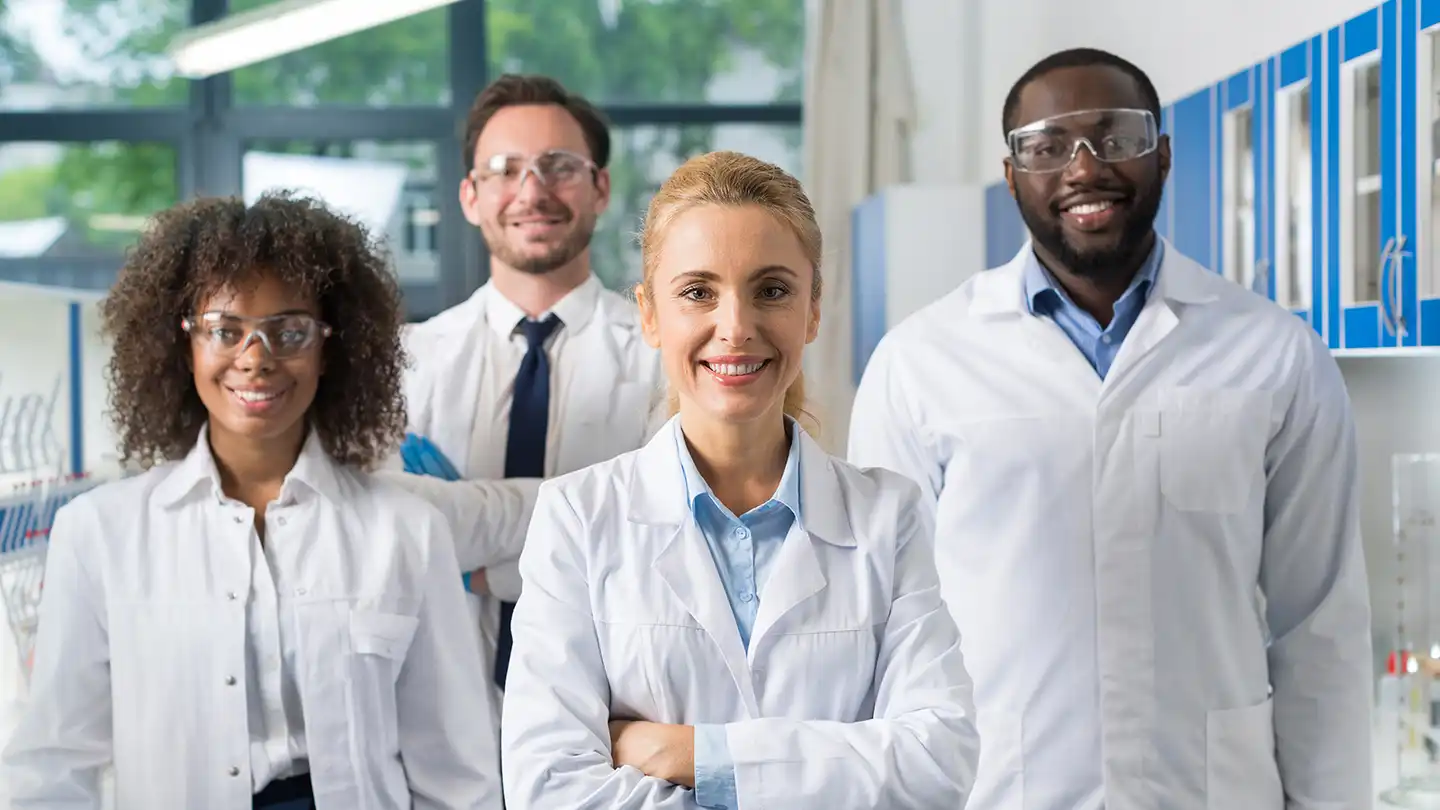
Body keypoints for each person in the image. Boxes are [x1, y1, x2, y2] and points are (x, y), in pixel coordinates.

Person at [849, 47, 1372, 810]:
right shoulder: (919, 362)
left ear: (1163, 155)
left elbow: (1319, 627)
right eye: (1048, 145)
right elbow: (884, 635)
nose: (1084, 167)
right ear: (1012, 175)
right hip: (995, 792)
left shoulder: (1276, 354)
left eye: (1115, 137)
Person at [500, 151, 980, 810]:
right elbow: (550, 789)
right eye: (698, 291)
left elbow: (938, 762)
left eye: (772, 290)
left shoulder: (885, 517)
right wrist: (823, 771)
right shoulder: (578, 518)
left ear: (812, 310)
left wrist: (693, 754)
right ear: (649, 314)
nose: (736, 328)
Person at [1, 193, 502, 809]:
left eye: (289, 330)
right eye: (224, 330)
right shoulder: (99, 534)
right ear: (182, 345)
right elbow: (53, 765)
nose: (256, 358)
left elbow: (458, 773)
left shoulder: (406, 532)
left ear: (329, 348)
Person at [400, 73, 664, 694]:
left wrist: (468, 561)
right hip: (442, 700)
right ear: (470, 196)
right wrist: (589, 523)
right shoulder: (408, 362)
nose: (532, 191)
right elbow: (392, 535)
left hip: (614, 702)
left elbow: (658, 545)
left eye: (559, 166)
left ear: (600, 186)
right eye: (504, 169)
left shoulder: (662, 361)